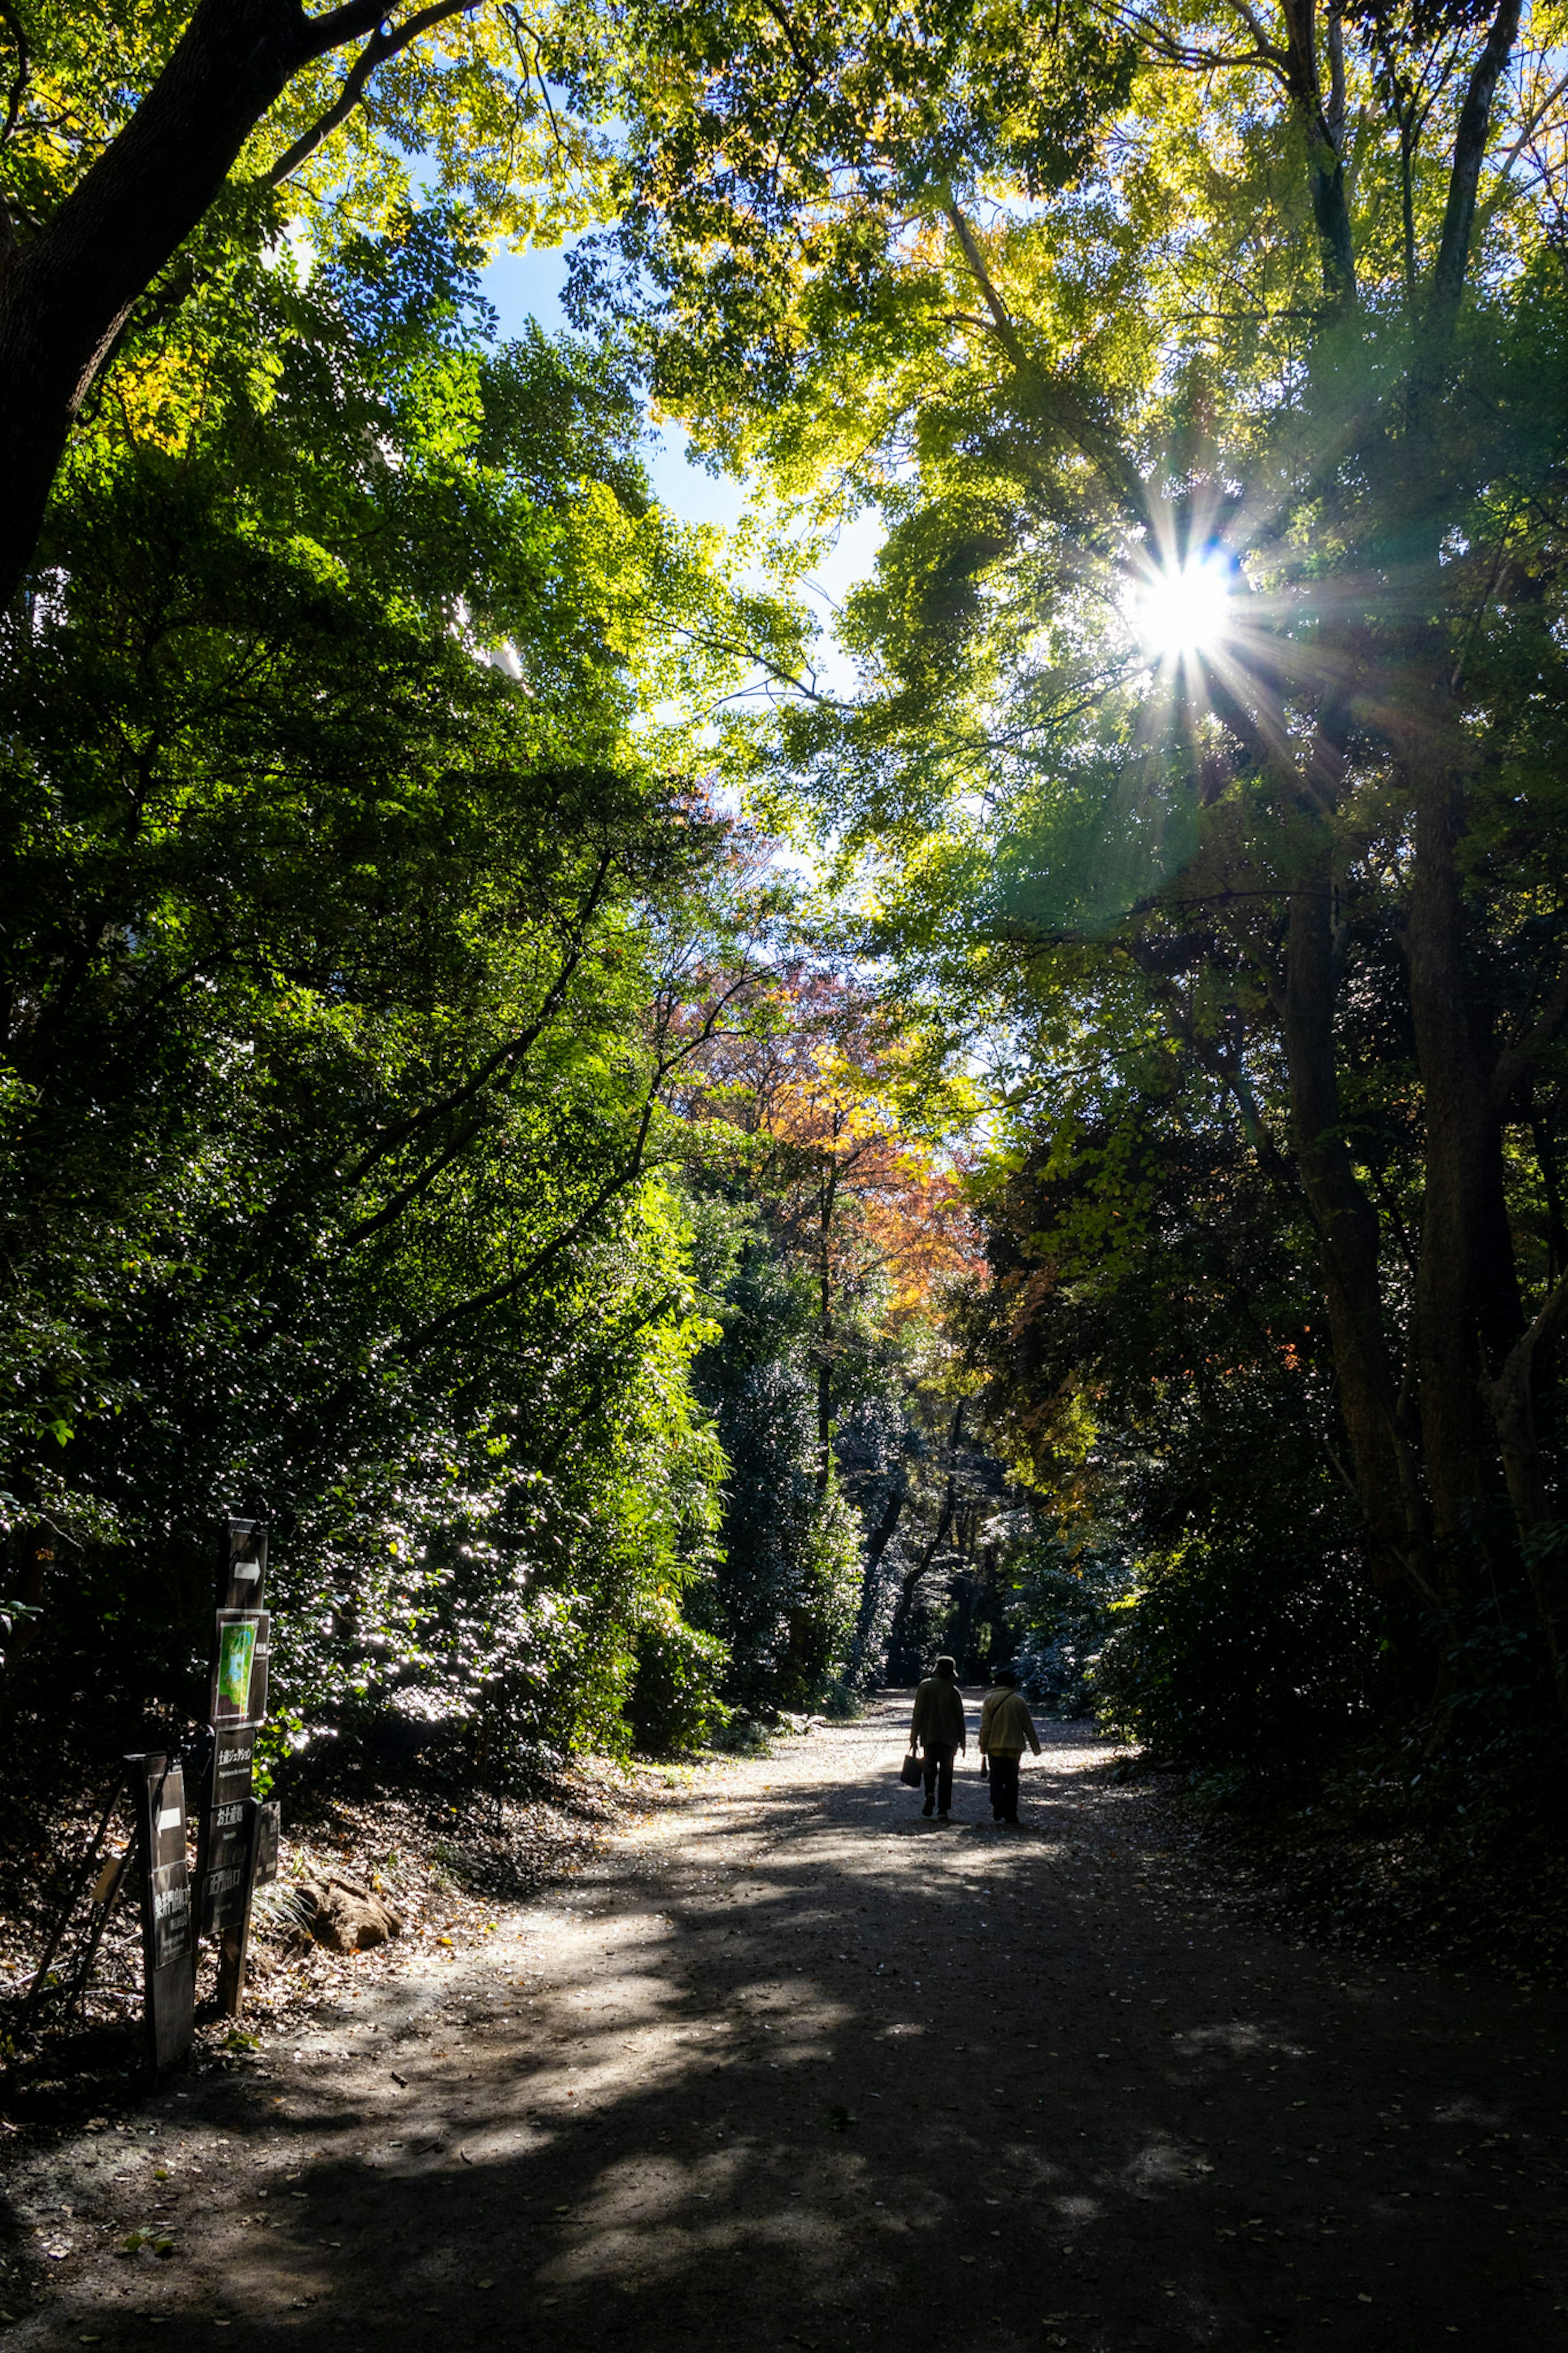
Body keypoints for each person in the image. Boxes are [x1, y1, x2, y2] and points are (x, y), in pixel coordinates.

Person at [978, 1665, 1041, 1824]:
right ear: (1013, 1683)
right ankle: (1011, 1813)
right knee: (1012, 1780)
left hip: (995, 1747)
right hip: (1014, 1747)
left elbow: (985, 1725)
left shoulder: (989, 1700)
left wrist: (983, 1744)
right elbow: (1028, 1726)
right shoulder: (1019, 1701)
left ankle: (998, 1802)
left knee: (996, 1778)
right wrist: (1036, 1748)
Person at [909, 1655, 967, 1820]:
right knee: (947, 1773)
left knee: (929, 1769)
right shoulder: (953, 1692)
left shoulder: (925, 1687)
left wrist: (914, 1737)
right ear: (951, 1673)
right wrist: (962, 1741)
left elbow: (918, 1713)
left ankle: (929, 1795)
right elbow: (959, 1718)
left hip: (929, 1736)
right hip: (949, 1739)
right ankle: (943, 1810)